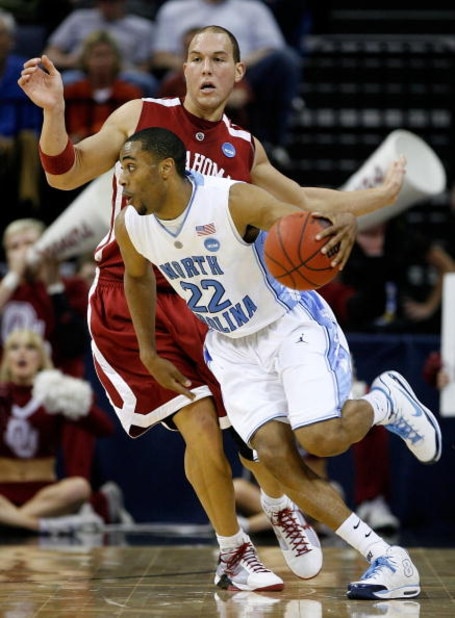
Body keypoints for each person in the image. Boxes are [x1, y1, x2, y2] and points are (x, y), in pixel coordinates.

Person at [18, 25, 406, 592]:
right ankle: (232, 549)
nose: (205, 68)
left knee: (259, 434)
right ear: (184, 66)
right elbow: (66, 171)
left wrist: (378, 198)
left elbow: (302, 201)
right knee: (199, 422)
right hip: (133, 292)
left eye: (217, 59)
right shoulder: (141, 115)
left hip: (212, 306)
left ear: (236, 73)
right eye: (195, 57)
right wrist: (53, 111)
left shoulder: (243, 149)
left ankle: (278, 504)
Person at [114, 126, 442, 600]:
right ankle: (388, 559)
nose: (121, 179)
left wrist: (339, 218)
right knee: (273, 453)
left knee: (320, 439)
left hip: (290, 325)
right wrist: (148, 350)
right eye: (120, 168)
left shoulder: (230, 200)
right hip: (230, 346)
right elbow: (138, 277)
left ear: (166, 168)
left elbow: (297, 219)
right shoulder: (132, 223)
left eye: (130, 166)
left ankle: (385, 402)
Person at [151, 0, 302, 166]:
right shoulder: (174, 9)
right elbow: (160, 56)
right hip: (186, 75)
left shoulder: (253, 8)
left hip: (245, 71)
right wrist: (197, 66)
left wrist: (230, 66)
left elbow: (272, 47)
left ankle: (272, 143)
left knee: (285, 59)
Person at [0, 328, 114, 534]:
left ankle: (11, 524)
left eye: (30, 347)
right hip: (3, 493)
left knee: (80, 487)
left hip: (44, 494)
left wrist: (73, 399)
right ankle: (39, 526)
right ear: (6, 357)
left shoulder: (53, 394)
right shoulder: (2, 396)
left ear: (41, 357)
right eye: (15, 348)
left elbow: (105, 428)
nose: (22, 353)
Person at [43, 0, 158, 97]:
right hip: (83, 71)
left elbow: (144, 66)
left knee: (146, 82)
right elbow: (50, 54)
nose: (107, 5)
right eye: (103, 1)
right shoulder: (78, 18)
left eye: (112, 2)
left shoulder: (142, 27)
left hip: (123, 73)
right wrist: (75, 61)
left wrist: (116, 66)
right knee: (64, 81)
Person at [64, 30, 144, 143]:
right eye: (97, 55)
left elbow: (133, 133)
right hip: (79, 153)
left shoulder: (130, 93)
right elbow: (66, 133)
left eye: (107, 55)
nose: (102, 61)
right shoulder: (71, 92)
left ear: (116, 59)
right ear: (85, 59)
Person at [0, 9, 42, 219]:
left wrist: (6, 135)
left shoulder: (26, 70)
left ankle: (29, 202)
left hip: (18, 139)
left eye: (1, 34)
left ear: (11, 39)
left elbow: (33, 118)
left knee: (29, 140)